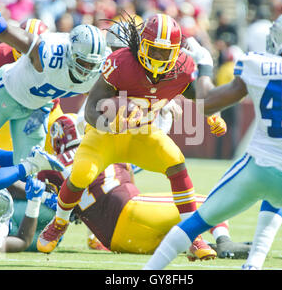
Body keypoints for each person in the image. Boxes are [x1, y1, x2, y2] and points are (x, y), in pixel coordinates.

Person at [143, 12, 282, 270]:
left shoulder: (259, 65)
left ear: (276, 40)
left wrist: (203, 64)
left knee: (195, 223)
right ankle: (254, 264)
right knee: (276, 195)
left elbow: (207, 104)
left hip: (259, 171)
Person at [37, 13, 227, 259]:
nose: (158, 57)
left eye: (165, 52)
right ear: (141, 45)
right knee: (81, 173)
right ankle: (59, 223)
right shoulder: (121, 63)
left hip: (142, 134)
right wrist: (109, 122)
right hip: (107, 136)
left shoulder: (182, 67)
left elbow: (200, 97)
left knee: (175, 162)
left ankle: (192, 236)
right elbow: (92, 106)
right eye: (153, 50)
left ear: (176, 52)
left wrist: (212, 116)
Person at [36, 113, 250, 258]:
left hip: (116, 242)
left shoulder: (52, 168)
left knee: (173, 237)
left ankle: (190, 245)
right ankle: (224, 242)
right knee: (211, 202)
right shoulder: (103, 148)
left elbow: (44, 197)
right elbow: (137, 165)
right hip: (131, 212)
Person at [0, 0, 106, 166]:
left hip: (41, 105)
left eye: (90, 64)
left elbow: (56, 92)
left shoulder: (89, 65)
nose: (87, 68)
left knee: (37, 160)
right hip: (7, 95)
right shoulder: (22, 54)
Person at [0, 18, 64, 155]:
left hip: (47, 110)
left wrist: (40, 113)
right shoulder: (1, 55)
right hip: (9, 111)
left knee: (62, 152)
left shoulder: (56, 60)